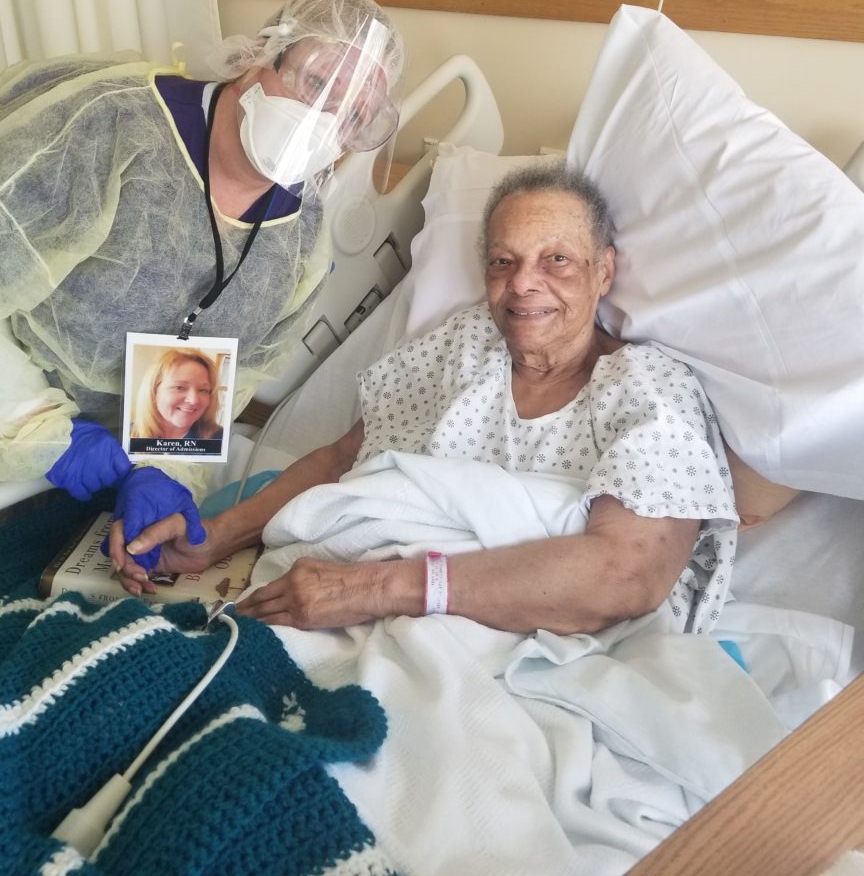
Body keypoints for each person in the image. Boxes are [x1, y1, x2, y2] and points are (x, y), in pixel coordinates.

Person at [110, 161, 739, 637]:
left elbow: (626, 576)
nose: (523, 284)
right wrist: (214, 536)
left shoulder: (647, 389)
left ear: (604, 271)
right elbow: (341, 463)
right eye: (502, 260)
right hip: (360, 605)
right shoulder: (467, 345)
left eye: (557, 261)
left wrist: (381, 589)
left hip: (527, 641)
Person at [0, 0, 404, 556]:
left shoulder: (300, 239)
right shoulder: (112, 128)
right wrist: (35, 424)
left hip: (104, 470)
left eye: (354, 114)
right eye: (317, 84)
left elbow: (234, 376)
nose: (323, 118)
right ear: (260, 57)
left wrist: (164, 470)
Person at [130, 347, 223, 442]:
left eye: (203, 390)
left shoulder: (222, 440)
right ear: (154, 390)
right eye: (179, 387)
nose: (194, 400)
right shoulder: (123, 437)